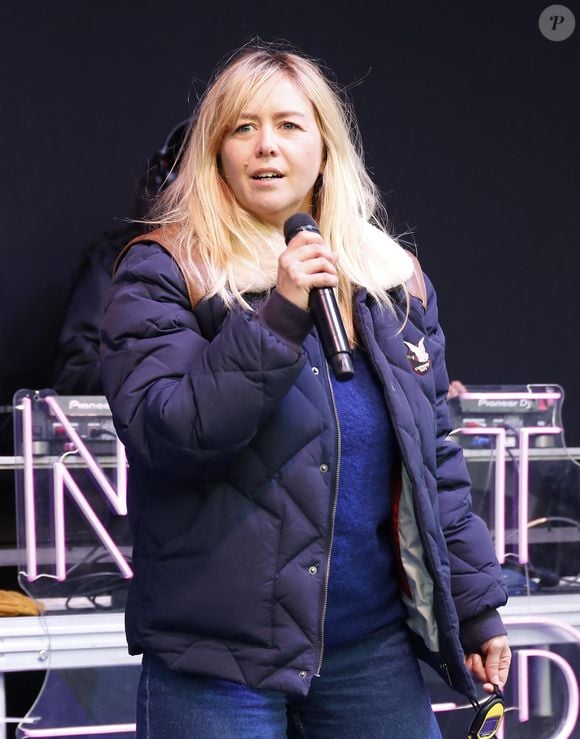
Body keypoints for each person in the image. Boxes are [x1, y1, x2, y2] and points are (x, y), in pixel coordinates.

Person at [100, 41, 511, 738]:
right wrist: (279, 314)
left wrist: (474, 606)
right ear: (216, 152)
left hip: (368, 648)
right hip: (218, 663)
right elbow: (170, 433)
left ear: (325, 148)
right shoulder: (167, 271)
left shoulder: (390, 278)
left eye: (290, 125)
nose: (267, 147)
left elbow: (434, 463)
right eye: (243, 127)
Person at [52, 118, 189, 395]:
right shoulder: (112, 261)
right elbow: (74, 373)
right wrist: (152, 372)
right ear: (166, 182)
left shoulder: (269, 260)